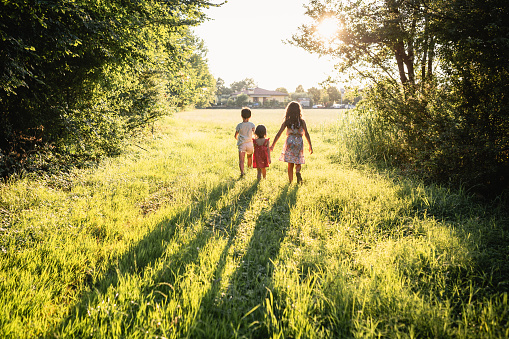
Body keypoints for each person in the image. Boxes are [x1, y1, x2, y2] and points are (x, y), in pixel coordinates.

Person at [270, 101, 313, 184]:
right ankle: (297, 171)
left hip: (290, 142)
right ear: (299, 111)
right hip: (299, 142)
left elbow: (279, 133)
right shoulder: (302, 122)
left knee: (290, 163)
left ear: (288, 111)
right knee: (298, 160)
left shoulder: (287, 122)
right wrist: (310, 145)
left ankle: (290, 181)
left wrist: (273, 145)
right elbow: (306, 133)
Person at [234, 107, 255, 177]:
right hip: (250, 144)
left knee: (241, 160)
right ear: (250, 116)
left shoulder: (239, 125)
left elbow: (235, 135)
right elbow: (255, 134)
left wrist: (238, 139)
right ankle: (249, 169)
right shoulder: (252, 125)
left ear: (241, 116)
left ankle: (242, 172)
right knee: (249, 157)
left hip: (242, 144)